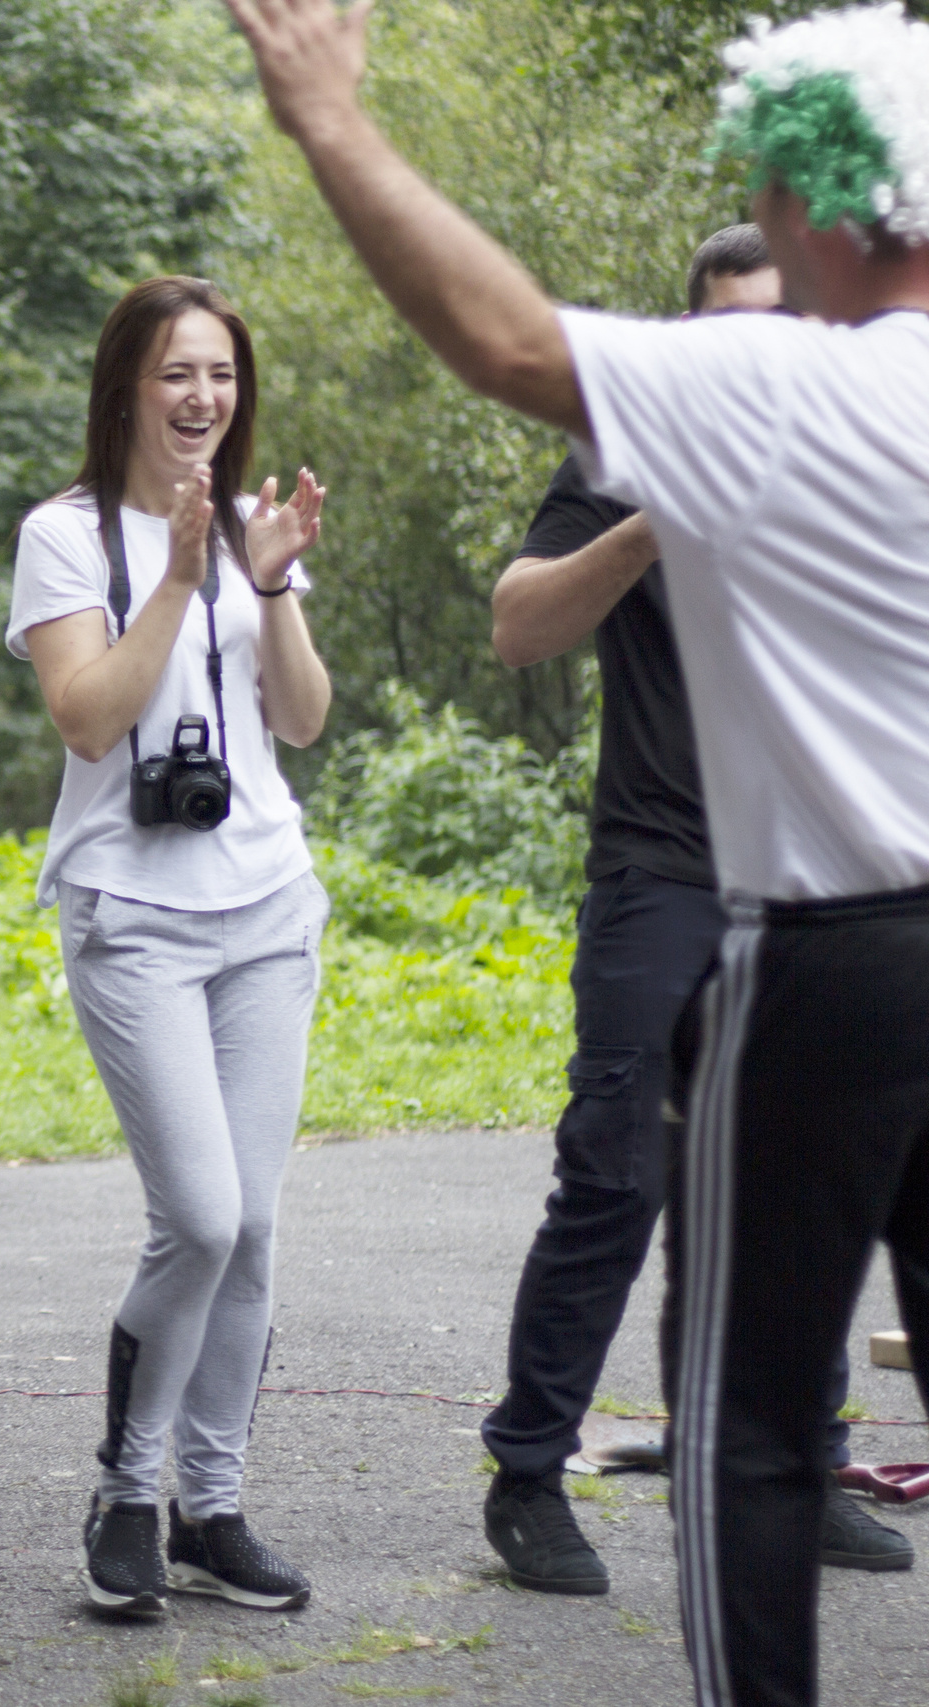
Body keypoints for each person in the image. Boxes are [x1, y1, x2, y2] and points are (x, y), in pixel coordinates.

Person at [223, 3, 929, 1702]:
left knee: (747, 1428)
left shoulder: (772, 381)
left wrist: (329, 120)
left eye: (769, 196)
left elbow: (503, 333)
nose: (761, 224)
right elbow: (530, 608)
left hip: (830, 951)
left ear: (830, 204)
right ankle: (529, 1458)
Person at [479, 224, 910, 1594]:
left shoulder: (861, 443)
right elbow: (517, 623)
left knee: (815, 1163)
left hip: (814, 877)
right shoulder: (631, 450)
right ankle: (530, 1475)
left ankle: (804, 1450)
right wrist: (660, 516)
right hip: (663, 864)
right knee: (617, 1165)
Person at [8, 276, 331, 1621]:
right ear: (126, 387)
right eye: (176, 374)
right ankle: (126, 1489)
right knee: (196, 1214)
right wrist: (182, 583)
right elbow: (88, 718)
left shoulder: (260, 529)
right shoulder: (65, 533)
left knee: (250, 1228)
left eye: (222, 375)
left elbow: (302, 720)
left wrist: (268, 584)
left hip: (266, 905)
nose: (203, 399)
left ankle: (212, 1504)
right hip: (132, 910)